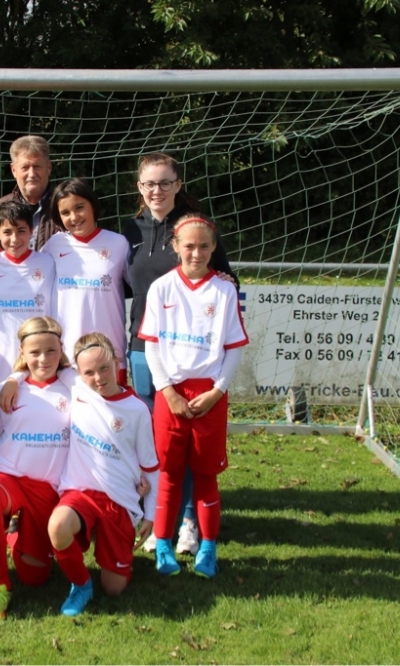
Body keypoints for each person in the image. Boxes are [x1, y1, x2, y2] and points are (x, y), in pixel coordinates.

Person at [124, 152, 237, 556]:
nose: (157, 190)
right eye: (149, 183)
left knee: (189, 442)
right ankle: (158, 521)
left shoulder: (194, 228)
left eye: (165, 182)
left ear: (177, 184)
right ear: (139, 187)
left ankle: (189, 522)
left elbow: (225, 279)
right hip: (144, 349)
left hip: (187, 359)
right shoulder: (129, 230)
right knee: (157, 444)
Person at [138, 215, 249, 579]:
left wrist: (218, 391)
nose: (196, 253)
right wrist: (167, 391)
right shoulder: (162, 288)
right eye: (189, 246)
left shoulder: (224, 290)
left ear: (214, 248)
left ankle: (208, 547)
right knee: (169, 474)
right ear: (176, 246)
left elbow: (233, 348)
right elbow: (152, 346)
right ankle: (163, 544)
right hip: (170, 393)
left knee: (205, 475)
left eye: (204, 246)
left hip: (209, 394)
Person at [46, 332, 158, 617]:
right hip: (80, 492)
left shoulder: (137, 409)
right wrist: (12, 380)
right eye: (89, 372)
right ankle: (81, 585)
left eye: (104, 368)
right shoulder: (77, 388)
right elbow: (37, 364)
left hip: (119, 501)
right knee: (57, 526)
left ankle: (115, 554)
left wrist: (150, 515)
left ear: (116, 362)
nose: (98, 378)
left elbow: (150, 466)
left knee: (114, 589)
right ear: (78, 373)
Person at [0, 316, 71, 623]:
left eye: (51, 351)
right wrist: (14, 379)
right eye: (35, 352)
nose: (43, 359)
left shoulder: (74, 386)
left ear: (61, 349)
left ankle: (14, 536)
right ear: (23, 353)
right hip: (9, 477)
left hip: (47, 489)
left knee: (35, 577)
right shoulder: (9, 389)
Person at [41, 178, 131, 383]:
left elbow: (143, 286)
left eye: (79, 207)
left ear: (92, 205)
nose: (74, 217)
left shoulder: (118, 243)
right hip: (66, 357)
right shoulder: (54, 245)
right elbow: (29, 271)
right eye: (65, 212)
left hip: (110, 354)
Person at [0, 201, 56, 383]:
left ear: (31, 231)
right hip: (2, 359)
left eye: (21, 231)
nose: (14, 239)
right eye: (7, 232)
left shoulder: (48, 262)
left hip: (40, 357)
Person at [0, 135, 63, 254]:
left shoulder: (64, 208)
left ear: (49, 167)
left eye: (37, 166)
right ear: (14, 170)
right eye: (25, 167)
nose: (32, 174)